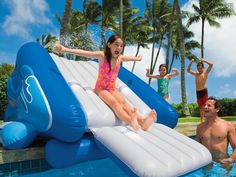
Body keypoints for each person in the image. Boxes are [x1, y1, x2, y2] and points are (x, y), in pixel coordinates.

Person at [56, 34, 156, 131]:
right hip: (101, 89)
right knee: (115, 104)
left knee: (124, 103)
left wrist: (138, 58)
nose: (119, 47)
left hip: (112, 89)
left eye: (121, 46)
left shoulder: (119, 58)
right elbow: (85, 53)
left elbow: (130, 58)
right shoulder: (102, 56)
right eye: (116, 44)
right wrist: (65, 49)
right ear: (109, 45)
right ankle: (131, 121)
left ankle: (142, 122)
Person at [196, 97, 236, 164]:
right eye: (204, 105)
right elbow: (197, 148)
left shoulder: (228, 126)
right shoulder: (200, 127)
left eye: (209, 105)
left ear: (217, 109)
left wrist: (231, 159)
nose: (205, 107)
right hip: (206, 162)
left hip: (223, 162)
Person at [187, 58, 213, 122]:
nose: (199, 69)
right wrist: (190, 63)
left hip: (204, 91)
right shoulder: (196, 74)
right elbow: (188, 70)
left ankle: (208, 119)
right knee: (200, 107)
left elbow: (211, 65)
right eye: (198, 68)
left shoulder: (205, 73)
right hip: (198, 92)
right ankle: (202, 120)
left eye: (201, 68)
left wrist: (204, 60)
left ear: (203, 68)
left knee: (206, 107)